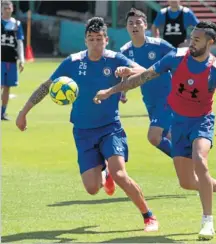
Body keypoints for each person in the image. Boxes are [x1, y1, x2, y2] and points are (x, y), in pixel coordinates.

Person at [94, 21, 216, 240]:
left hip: (202, 122)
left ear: (209, 42)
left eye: (197, 39)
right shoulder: (176, 57)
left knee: (200, 161)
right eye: (191, 37)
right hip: (178, 122)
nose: (191, 42)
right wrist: (111, 91)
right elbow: (143, 77)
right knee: (186, 182)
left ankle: (207, 221)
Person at [16, 17, 159, 232]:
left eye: (99, 39)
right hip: (83, 132)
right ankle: (104, 173)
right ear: (85, 40)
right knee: (92, 189)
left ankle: (148, 216)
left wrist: (128, 71)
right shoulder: (72, 62)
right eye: (91, 39)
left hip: (111, 128)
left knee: (120, 174)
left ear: (106, 40)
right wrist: (23, 112)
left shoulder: (114, 59)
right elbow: (47, 86)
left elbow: (147, 72)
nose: (95, 43)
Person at [120, 8, 175, 157]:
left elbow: (178, 60)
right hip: (149, 100)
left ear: (145, 25)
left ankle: (187, 164)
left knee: (154, 137)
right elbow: (124, 75)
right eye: (130, 23)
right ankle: (193, 167)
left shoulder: (159, 45)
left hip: (167, 96)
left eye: (138, 23)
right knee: (170, 138)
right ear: (126, 27)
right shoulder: (124, 51)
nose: (134, 26)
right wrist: (123, 93)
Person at [1, 0, 25, 121]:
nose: (7, 9)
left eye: (8, 7)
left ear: (12, 9)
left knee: (7, 87)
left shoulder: (17, 24)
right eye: (4, 7)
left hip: (11, 60)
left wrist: (22, 59)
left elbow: (20, 42)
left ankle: (2, 112)